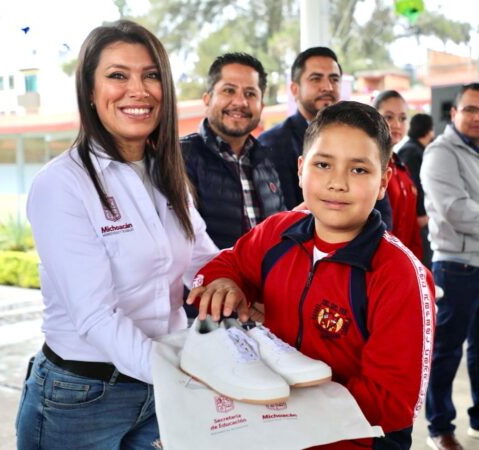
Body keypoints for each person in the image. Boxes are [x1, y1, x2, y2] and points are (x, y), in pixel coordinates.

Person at [15, 20, 218, 450]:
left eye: (150, 75)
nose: (138, 90)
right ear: (90, 91)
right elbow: (95, 315)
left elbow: (203, 262)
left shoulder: (168, 176)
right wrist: (178, 374)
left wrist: (237, 284)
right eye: (117, 76)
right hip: (82, 398)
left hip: (159, 386)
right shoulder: (62, 185)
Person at [188, 101, 435, 450]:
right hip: (271, 432)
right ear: (301, 169)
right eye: (323, 165)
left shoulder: (399, 275)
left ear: (384, 182)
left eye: (359, 170)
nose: (337, 183)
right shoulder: (278, 231)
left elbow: (392, 403)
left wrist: (282, 406)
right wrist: (224, 282)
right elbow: (229, 262)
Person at [421, 82, 479, 450]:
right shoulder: (440, 153)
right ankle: (439, 426)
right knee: (446, 352)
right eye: (470, 109)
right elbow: (457, 211)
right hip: (456, 267)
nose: (476, 118)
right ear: (454, 113)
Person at [181, 52, 285, 250]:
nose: (240, 102)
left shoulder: (267, 160)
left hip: (266, 279)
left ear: (261, 106)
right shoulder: (180, 157)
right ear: (207, 99)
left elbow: (279, 228)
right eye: (229, 91)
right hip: (210, 279)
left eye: (250, 94)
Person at [258, 47, 342, 210]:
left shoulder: (356, 139)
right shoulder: (272, 143)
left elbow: (379, 206)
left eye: (334, 79)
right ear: (295, 90)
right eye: (316, 78)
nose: (328, 87)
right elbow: (281, 213)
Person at [373, 90, 423, 260]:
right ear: (374, 117)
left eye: (402, 118)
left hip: (405, 261)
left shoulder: (401, 168)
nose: (397, 124)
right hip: (378, 262)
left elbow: (412, 226)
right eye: (388, 117)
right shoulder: (366, 166)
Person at [398, 113, 434, 268]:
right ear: (429, 131)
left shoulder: (413, 149)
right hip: (416, 219)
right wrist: (421, 213)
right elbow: (415, 186)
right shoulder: (412, 152)